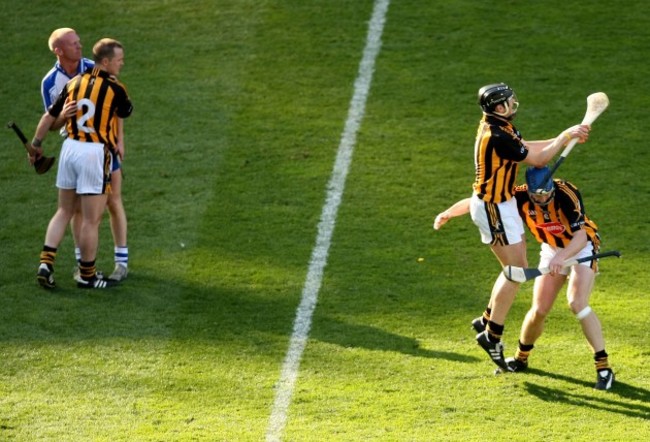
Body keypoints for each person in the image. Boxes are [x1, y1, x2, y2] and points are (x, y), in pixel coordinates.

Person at [433, 166, 615, 390]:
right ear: (528, 190)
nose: (542, 198)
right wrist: (449, 213)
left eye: (546, 193)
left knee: (577, 303)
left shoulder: (566, 193)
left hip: (582, 248)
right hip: (551, 248)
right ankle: (521, 358)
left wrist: (563, 257)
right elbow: (479, 202)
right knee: (539, 309)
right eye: (537, 195)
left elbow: (580, 237)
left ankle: (603, 368)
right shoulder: (517, 195)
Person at [465, 83, 590, 371]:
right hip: (495, 208)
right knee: (516, 273)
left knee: (515, 271)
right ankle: (492, 333)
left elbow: (528, 147)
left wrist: (568, 135)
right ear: (499, 107)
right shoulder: (496, 135)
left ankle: (487, 319)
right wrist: (561, 138)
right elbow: (537, 158)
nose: (513, 103)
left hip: (500, 204)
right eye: (509, 101)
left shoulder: (499, 126)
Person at [31, 37, 133, 289]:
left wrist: (35, 144)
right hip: (94, 153)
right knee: (91, 219)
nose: (122, 64)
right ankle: (87, 275)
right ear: (106, 62)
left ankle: (46, 262)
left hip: (70, 148)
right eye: (119, 61)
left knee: (64, 211)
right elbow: (124, 111)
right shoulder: (116, 88)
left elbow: (49, 116)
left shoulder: (75, 82)